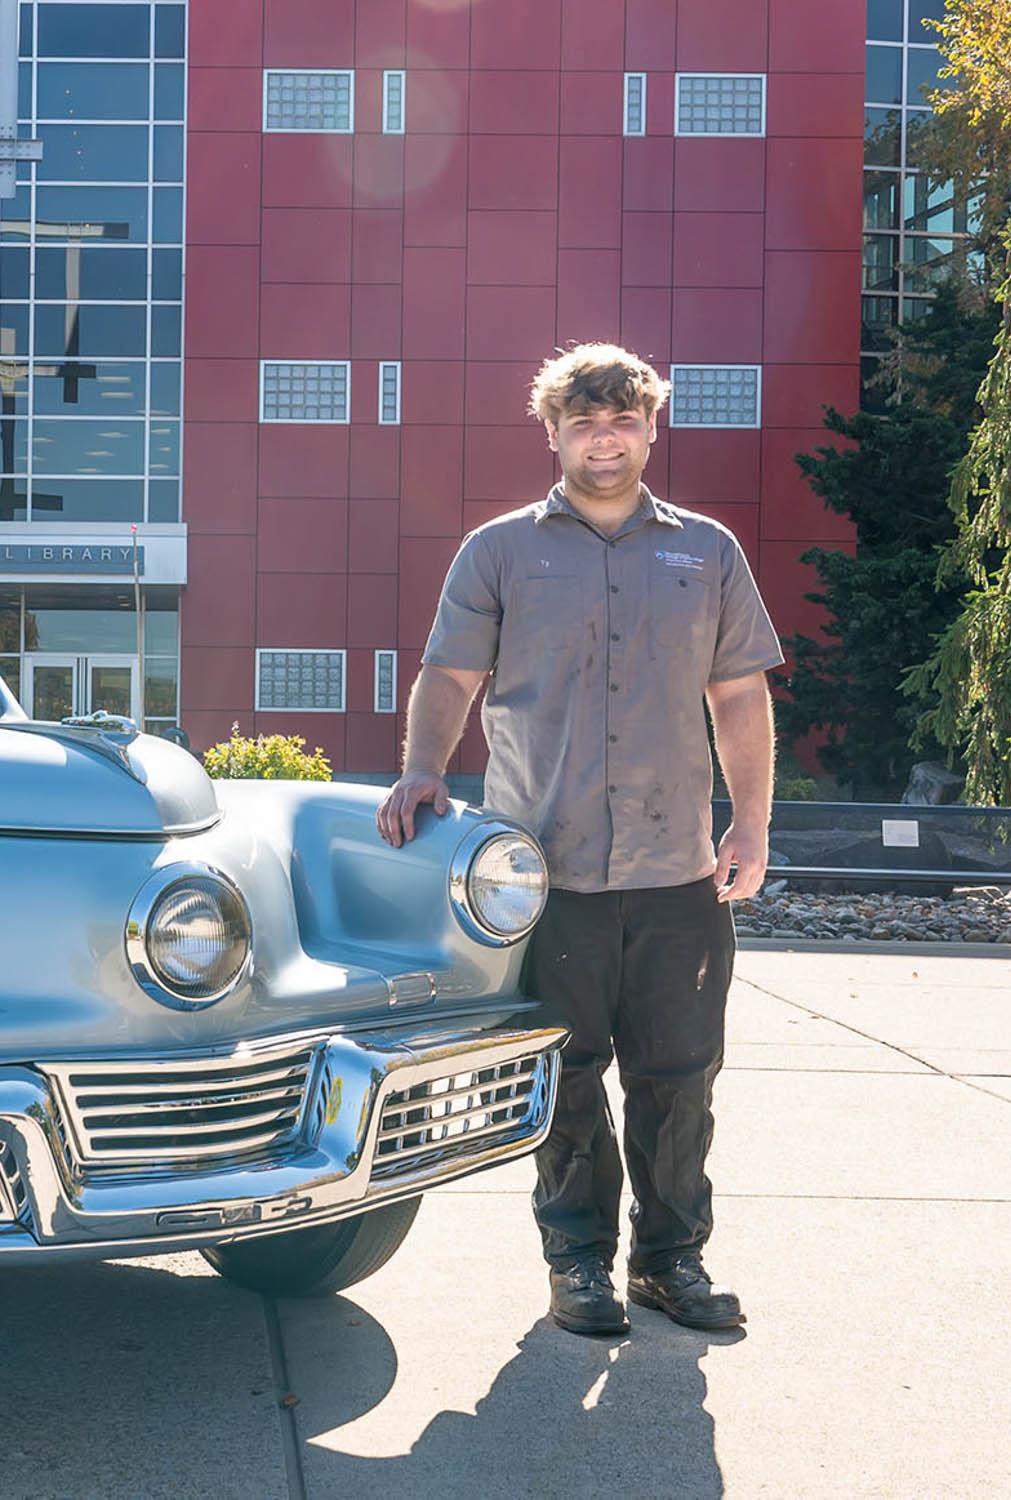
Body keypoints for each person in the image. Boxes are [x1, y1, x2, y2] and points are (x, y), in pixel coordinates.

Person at [375, 344, 783, 1337]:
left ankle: (672, 1263)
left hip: (678, 872)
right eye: (584, 421)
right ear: (553, 432)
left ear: (650, 429)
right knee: (562, 1078)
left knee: (679, 1081)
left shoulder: (708, 553)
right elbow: (447, 675)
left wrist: (754, 822)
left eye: (623, 419)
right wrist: (424, 765)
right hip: (544, 877)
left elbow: (739, 697)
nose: (604, 438)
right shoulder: (500, 552)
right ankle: (579, 1267)